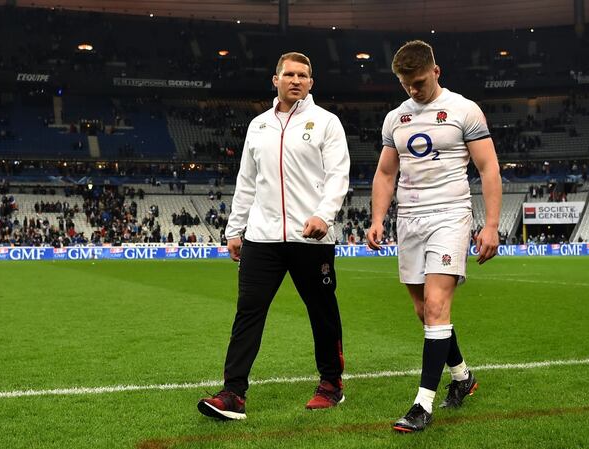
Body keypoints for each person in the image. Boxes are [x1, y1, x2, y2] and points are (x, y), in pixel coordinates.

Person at [198, 52, 351, 421]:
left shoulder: (326, 122)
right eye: (289, 74)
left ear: (311, 82)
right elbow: (247, 181)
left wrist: (324, 215)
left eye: (303, 75)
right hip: (262, 237)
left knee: (322, 311)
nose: (296, 80)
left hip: (310, 236)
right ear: (275, 79)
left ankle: (331, 382)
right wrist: (235, 229)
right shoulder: (258, 125)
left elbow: (338, 175)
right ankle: (233, 393)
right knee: (248, 311)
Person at [366, 40, 501, 432]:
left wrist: (490, 225)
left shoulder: (464, 110)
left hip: (450, 215)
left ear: (436, 71)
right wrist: (377, 218)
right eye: (406, 84)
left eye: (420, 82)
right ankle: (463, 377)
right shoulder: (395, 119)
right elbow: (386, 173)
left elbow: (488, 168)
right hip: (408, 219)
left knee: (438, 306)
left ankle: (422, 405)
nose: (413, 90)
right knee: (424, 311)